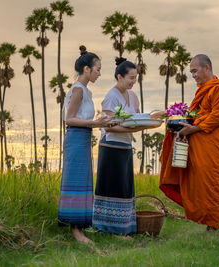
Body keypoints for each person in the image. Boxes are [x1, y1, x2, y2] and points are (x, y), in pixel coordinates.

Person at [159, 54, 219, 230]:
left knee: (212, 182)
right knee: (199, 184)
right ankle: (205, 219)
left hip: (211, 146)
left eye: (195, 71)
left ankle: (214, 224)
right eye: (191, 71)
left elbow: (218, 116)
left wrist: (194, 128)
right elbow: (194, 115)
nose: (193, 75)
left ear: (206, 68)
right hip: (197, 145)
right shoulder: (202, 90)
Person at [92, 58, 162, 235]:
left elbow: (137, 121)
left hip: (125, 146)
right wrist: (143, 126)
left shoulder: (133, 96)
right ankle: (107, 227)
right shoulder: (111, 96)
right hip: (111, 146)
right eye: (130, 77)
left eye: (135, 78)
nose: (133, 81)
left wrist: (149, 122)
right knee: (112, 186)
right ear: (119, 77)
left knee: (124, 186)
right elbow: (107, 126)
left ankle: (123, 227)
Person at [58, 45, 114, 243]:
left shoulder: (86, 92)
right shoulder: (78, 90)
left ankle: (81, 225)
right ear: (87, 69)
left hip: (83, 137)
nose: (99, 73)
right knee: (75, 180)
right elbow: (69, 119)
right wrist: (95, 123)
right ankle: (76, 230)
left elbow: (82, 118)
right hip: (75, 137)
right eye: (97, 69)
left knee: (83, 181)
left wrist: (101, 122)